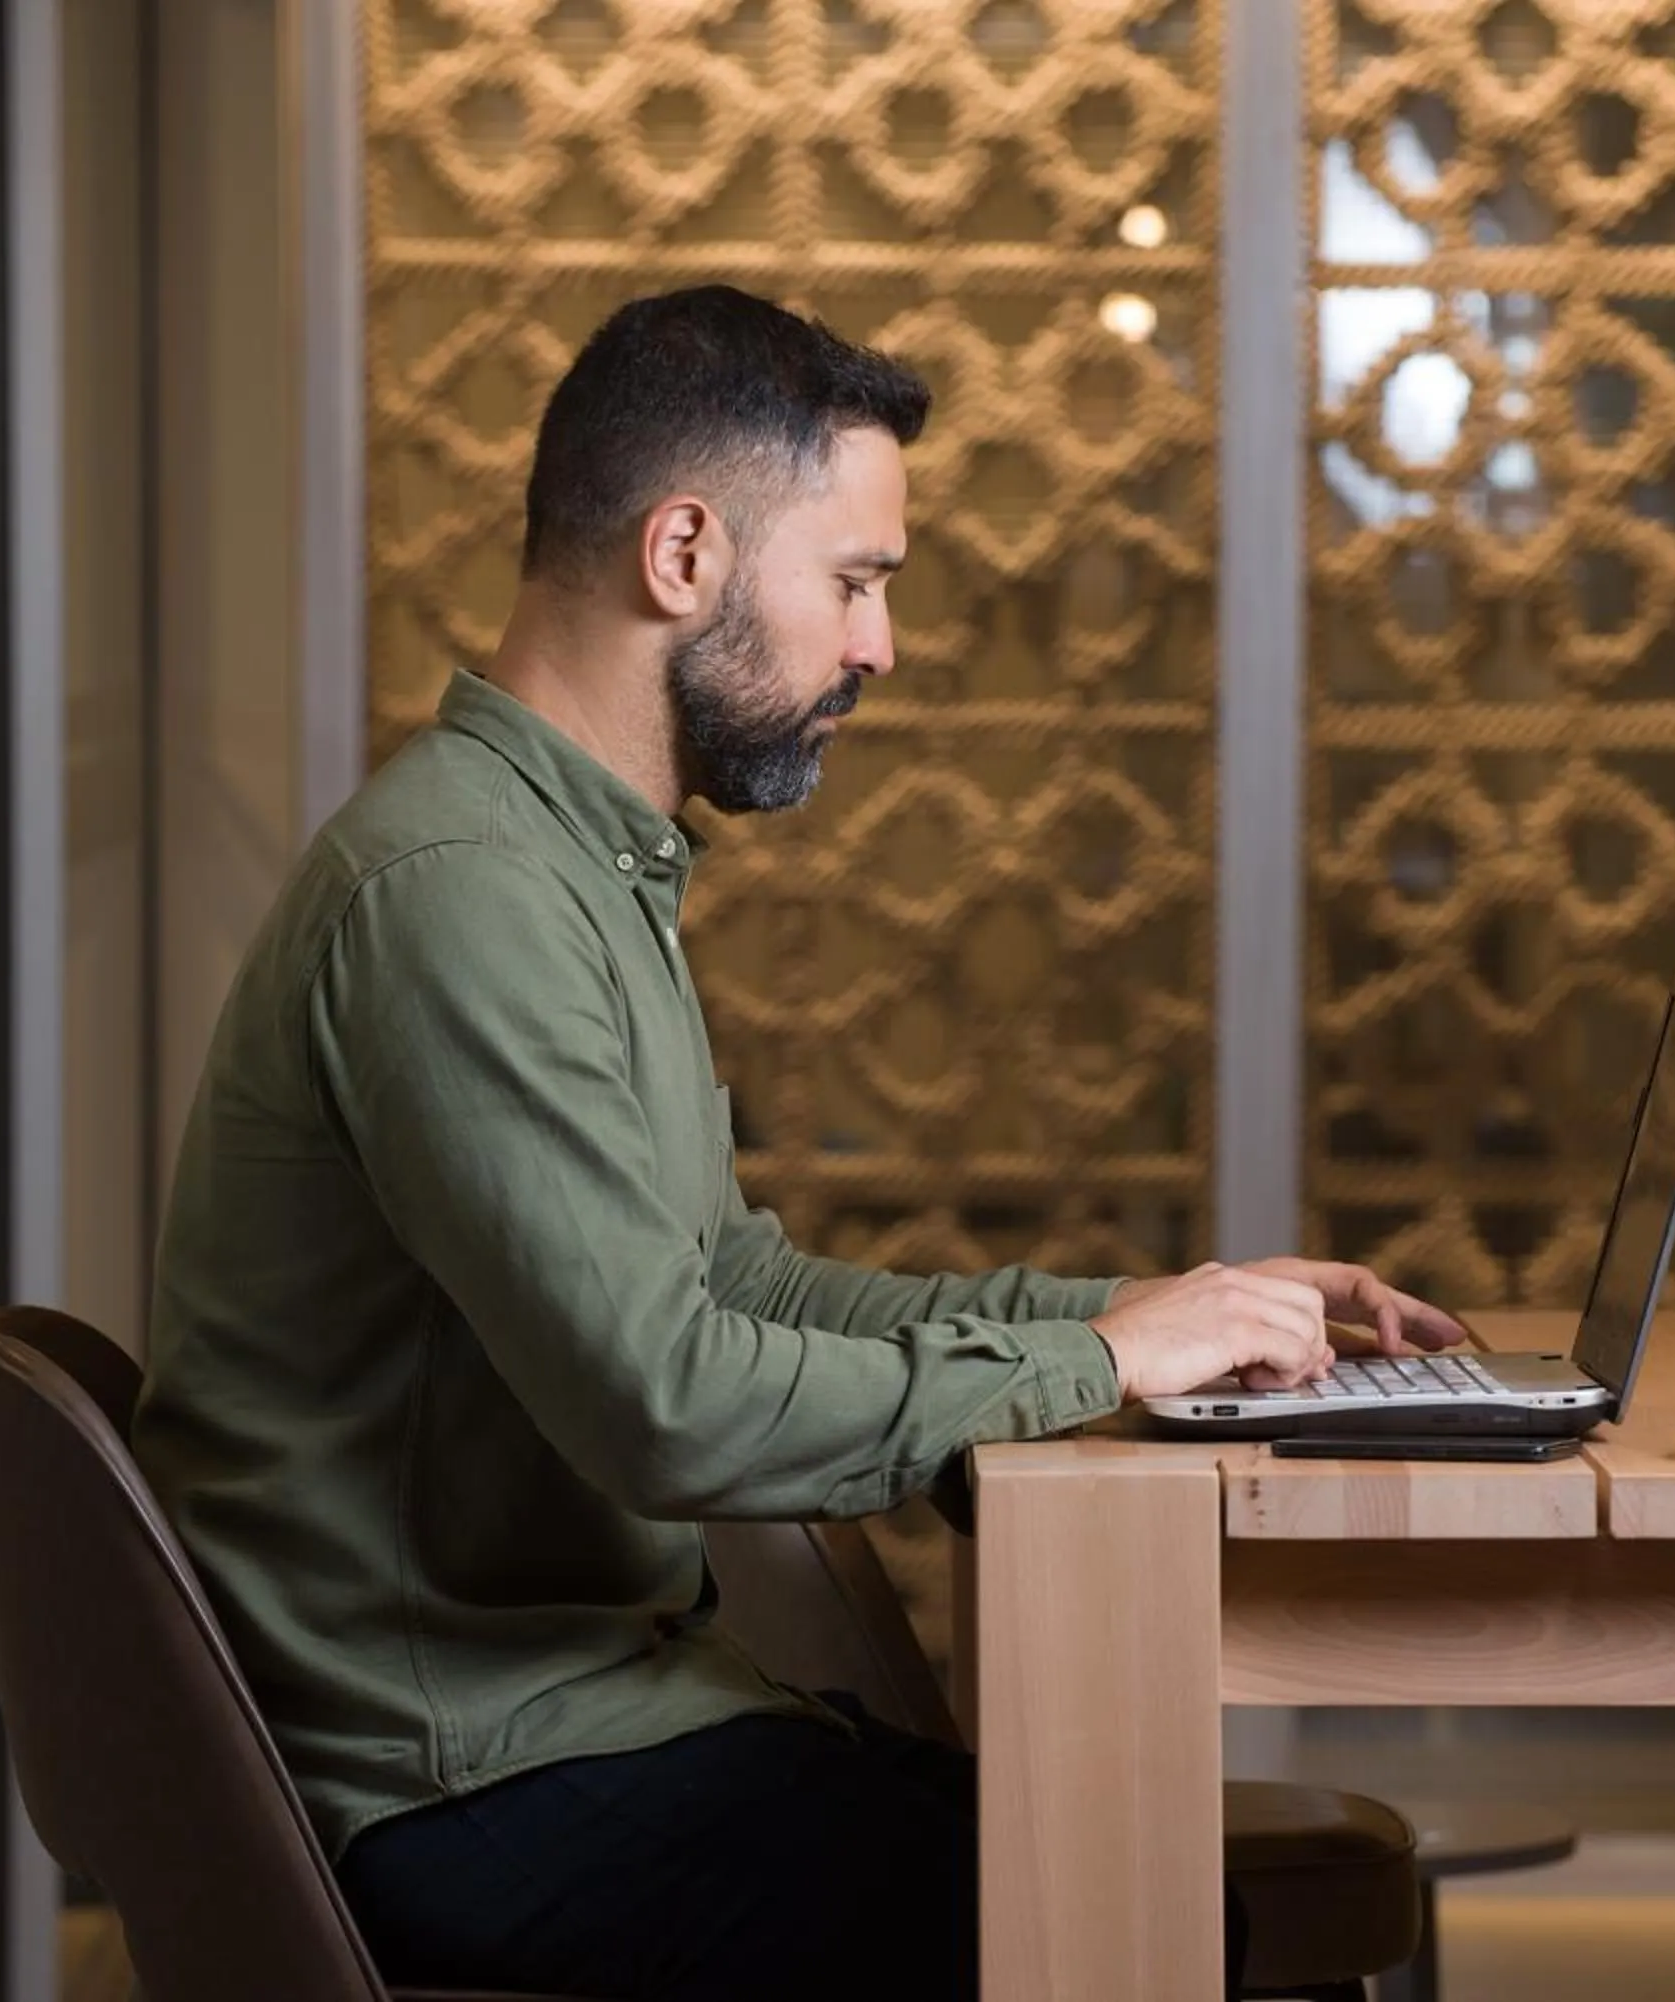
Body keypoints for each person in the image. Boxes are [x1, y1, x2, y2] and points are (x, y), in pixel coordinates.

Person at [135, 284, 1471, 2002]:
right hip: (455, 1783)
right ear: (683, 553)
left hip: (557, 1729)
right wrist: (1097, 1358)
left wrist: (1153, 1312)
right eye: (853, 582)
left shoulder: (574, 867)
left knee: (1133, 1878)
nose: (878, 649)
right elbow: (668, 1398)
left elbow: (734, 1283)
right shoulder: (461, 896)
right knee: (1127, 1914)